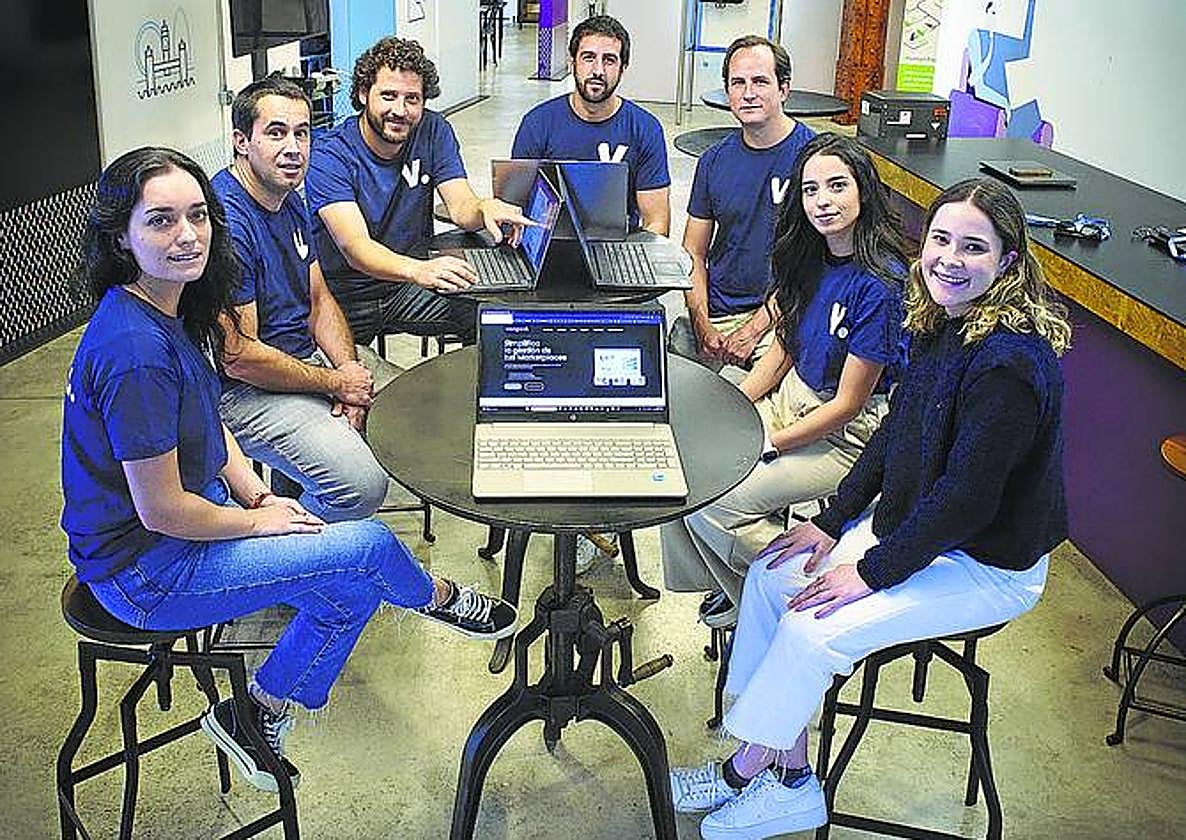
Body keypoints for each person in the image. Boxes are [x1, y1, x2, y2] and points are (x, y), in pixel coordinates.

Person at [60, 147, 517, 795]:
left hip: (187, 529)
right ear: (121, 239)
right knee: (369, 545)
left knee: (354, 587)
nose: (187, 235)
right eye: (161, 221)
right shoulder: (135, 353)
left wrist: (251, 489)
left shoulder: (170, 305)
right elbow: (161, 510)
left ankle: (254, 712)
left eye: (197, 215)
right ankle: (437, 599)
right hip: (146, 572)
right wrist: (255, 519)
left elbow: (206, 418)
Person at [669, 176, 1071, 839]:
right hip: (922, 533)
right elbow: (892, 435)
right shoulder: (946, 320)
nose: (949, 258)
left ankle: (748, 771)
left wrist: (872, 569)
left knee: (812, 626)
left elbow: (967, 503)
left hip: (987, 564)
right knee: (773, 577)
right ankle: (788, 774)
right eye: (941, 239)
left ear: (1007, 262)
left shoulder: (1008, 366)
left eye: (974, 247)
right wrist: (830, 524)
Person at [662, 133, 909, 628]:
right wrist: (728, 408)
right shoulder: (808, 256)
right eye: (811, 189)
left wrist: (767, 444)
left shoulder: (880, 283)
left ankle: (779, 597)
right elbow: (782, 352)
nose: (823, 202)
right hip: (790, 397)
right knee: (677, 468)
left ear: (863, 189)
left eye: (837, 187)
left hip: (845, 435)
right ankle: (735, 593)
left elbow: (846, 405)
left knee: (714, 497)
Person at [213, 76, 398, 522]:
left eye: (302, 132)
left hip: (302, 362)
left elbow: (318, 298)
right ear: (241, 141)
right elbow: (239, 356)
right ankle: (288, 555)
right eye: (276, 133)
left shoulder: (290, 196)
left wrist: (347, 372)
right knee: (363, 487)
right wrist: (336, 385)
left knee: (409, 412)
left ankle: (309, 505)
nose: (294, 147)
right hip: (242, 392)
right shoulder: (227, 224)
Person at [306, 37, 530, 346]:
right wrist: (419, 270)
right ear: (362, 94)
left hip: (404, 290)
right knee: (345, 385)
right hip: (343, 296)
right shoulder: (330, 155)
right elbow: (356, 249)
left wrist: (483, 207)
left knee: (493, 318)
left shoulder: (433, 130)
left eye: (412, 99)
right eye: (388, 95)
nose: (400, 110)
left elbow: (460, 205)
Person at [668, 35, 815, 375]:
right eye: (738, 83)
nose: (748, 93)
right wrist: (702, 322)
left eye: (760, 81)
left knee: (772, 407)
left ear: (784, 89)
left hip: (785, 311)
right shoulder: (713, 161)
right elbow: (694, 251)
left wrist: (752, 330)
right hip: (718, 310)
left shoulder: (817, 158)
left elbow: (818, 264)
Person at [511, 14, 671, 235]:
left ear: (623, 68)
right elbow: (513, 208)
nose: (598, 70)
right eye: (588, 57)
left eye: (609, 60)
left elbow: (657, 221)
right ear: (572, 62)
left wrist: (638, 262)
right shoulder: (537, 124)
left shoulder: (645, 129)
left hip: (620, 246)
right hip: (550, 243)